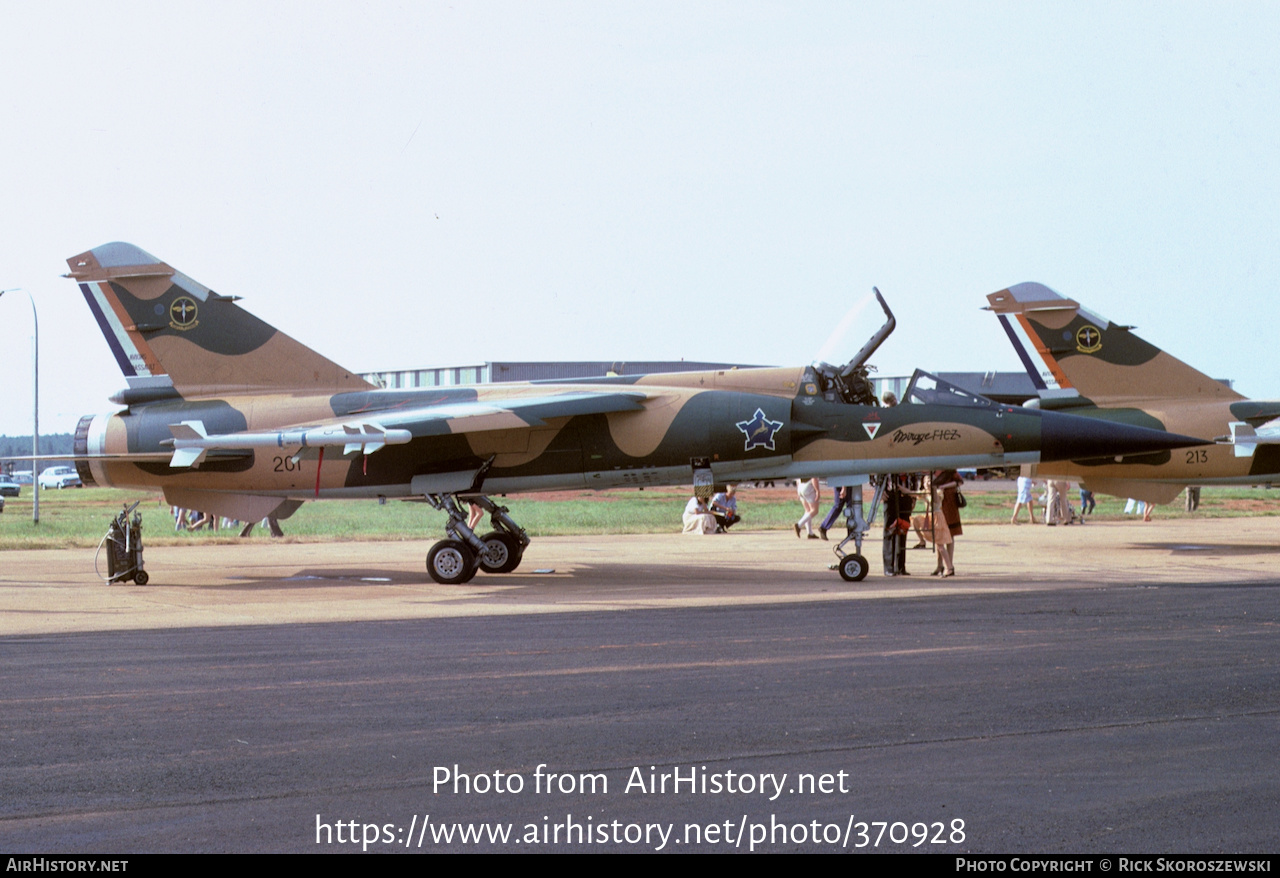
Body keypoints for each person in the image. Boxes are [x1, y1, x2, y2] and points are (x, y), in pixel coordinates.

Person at [931, 469, 963, 576]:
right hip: (938, 503)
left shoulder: (950, 469)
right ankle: (940, 565)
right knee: (939, 536)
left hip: (949, 503)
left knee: (950, 534)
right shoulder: (933, 469)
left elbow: (959, 482)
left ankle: (949, 564)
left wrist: (944, 486)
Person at [882, 474, 915, 576]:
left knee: (903, 529)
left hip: (906, 496)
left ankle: (901, 567)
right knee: (890, 530)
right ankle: (889, 567)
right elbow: (875, 476)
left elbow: (915, 478)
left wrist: (914, 498)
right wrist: (880, 490)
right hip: (890, 495)